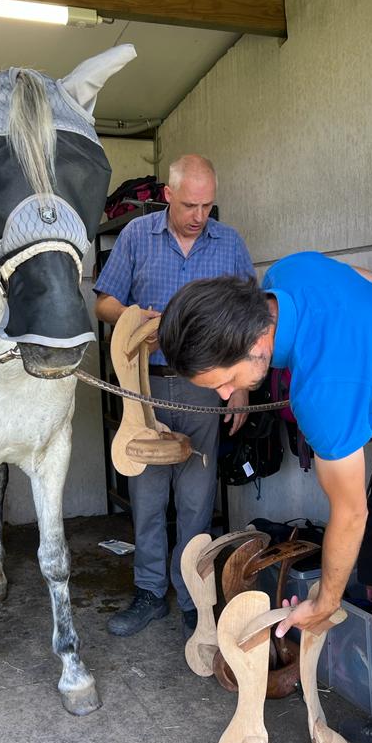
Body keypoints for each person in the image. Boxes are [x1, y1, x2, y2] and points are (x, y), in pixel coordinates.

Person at [157, 252, 372, 743]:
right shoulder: (289, 276)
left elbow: (348, 512)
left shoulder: (320, 391)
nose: (225, 395)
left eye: (224, 381)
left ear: (256, 342)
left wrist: (322, 606)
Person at [94, 154, 254, 638]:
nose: (199, 216)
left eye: (208, 205)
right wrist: (133, 318)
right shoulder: (136, 238)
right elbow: (102, 302)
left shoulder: (229, 244)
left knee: (197, 496)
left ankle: (192, 597)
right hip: (145, 385)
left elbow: (252, 322)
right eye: (190, 204)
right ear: (167, 194)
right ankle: (148, 592)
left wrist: (242, 388)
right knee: (146, 492)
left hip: (207, 387)